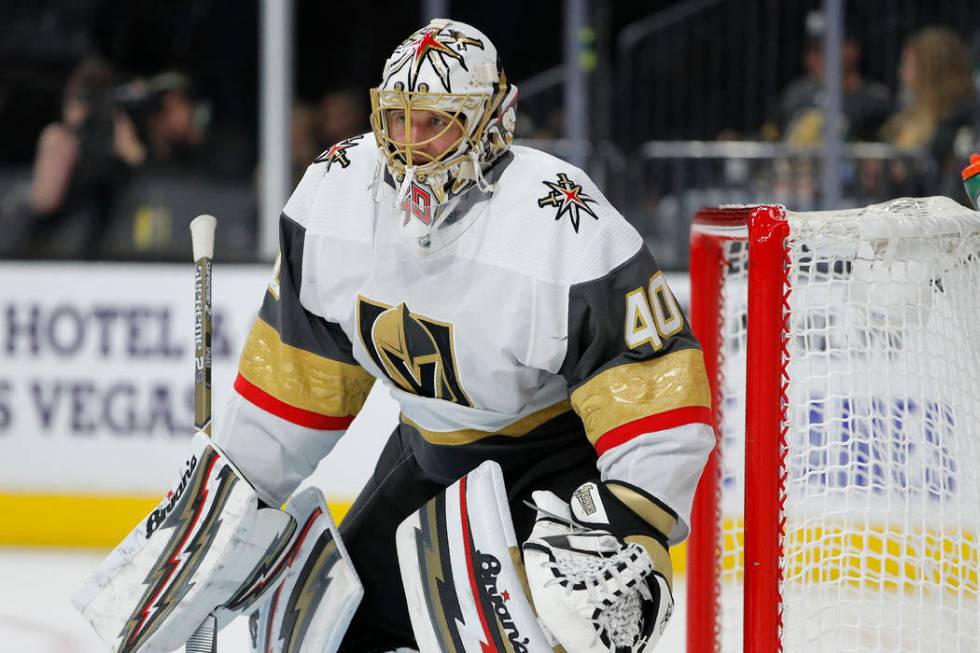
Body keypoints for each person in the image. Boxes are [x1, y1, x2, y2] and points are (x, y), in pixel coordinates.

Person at [217, 19, 714, 651]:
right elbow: (297, 379)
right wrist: (231, 501)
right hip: (432, 458)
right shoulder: (337, 192)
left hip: (560, 470)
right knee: (336, 635)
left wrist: (631, 518)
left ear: (489, 123)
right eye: (398, 120)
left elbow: (654, 387)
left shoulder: (560, 219)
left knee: (568, 625)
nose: (411, 144)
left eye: (436, 122)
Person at [27, 57, 146, 258]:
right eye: (79, 98)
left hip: (107, 255)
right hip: (49, 254)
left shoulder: (117, 152)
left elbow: (140, 168)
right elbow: (44, 202)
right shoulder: (59, 140)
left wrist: (125, 147)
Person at [880, 26, 978, 202]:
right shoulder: (905, 120)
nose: (901, 72)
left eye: (908, 65)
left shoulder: (963, 120)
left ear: (928, 72)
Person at [771, 11, 891, 145]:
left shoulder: (874, 100)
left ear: (852, 50)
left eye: (824, 49)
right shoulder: (795, 95)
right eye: (812, 50)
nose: (816, 57)